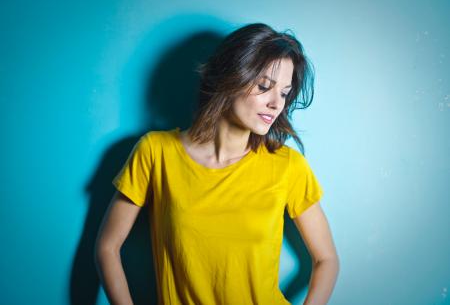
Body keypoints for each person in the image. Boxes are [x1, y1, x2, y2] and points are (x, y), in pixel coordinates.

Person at [94, 22, 339, 305]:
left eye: (284, 93)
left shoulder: (287, 166)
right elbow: (106, 247)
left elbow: (327, 259)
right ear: (229, 77)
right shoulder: (156, 152)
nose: (276, 103)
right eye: (264, 86)